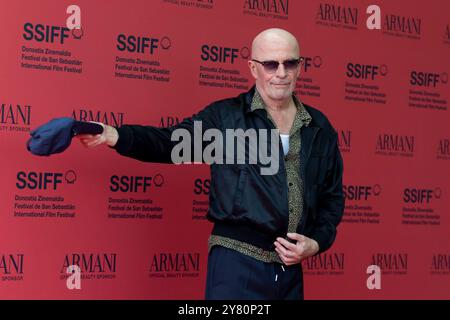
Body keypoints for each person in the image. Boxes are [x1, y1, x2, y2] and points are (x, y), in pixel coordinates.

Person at [77, 28, 344, 300]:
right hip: (236, 264)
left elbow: (332, 200)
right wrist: (114, 135)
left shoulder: (319, 128)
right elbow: (169, 143)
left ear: (300, 67)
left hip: (290, 273)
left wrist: (316, 243)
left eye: (290, 63)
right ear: (253, 68)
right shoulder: (225, 119)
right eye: (270, 64)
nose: (281, 73)